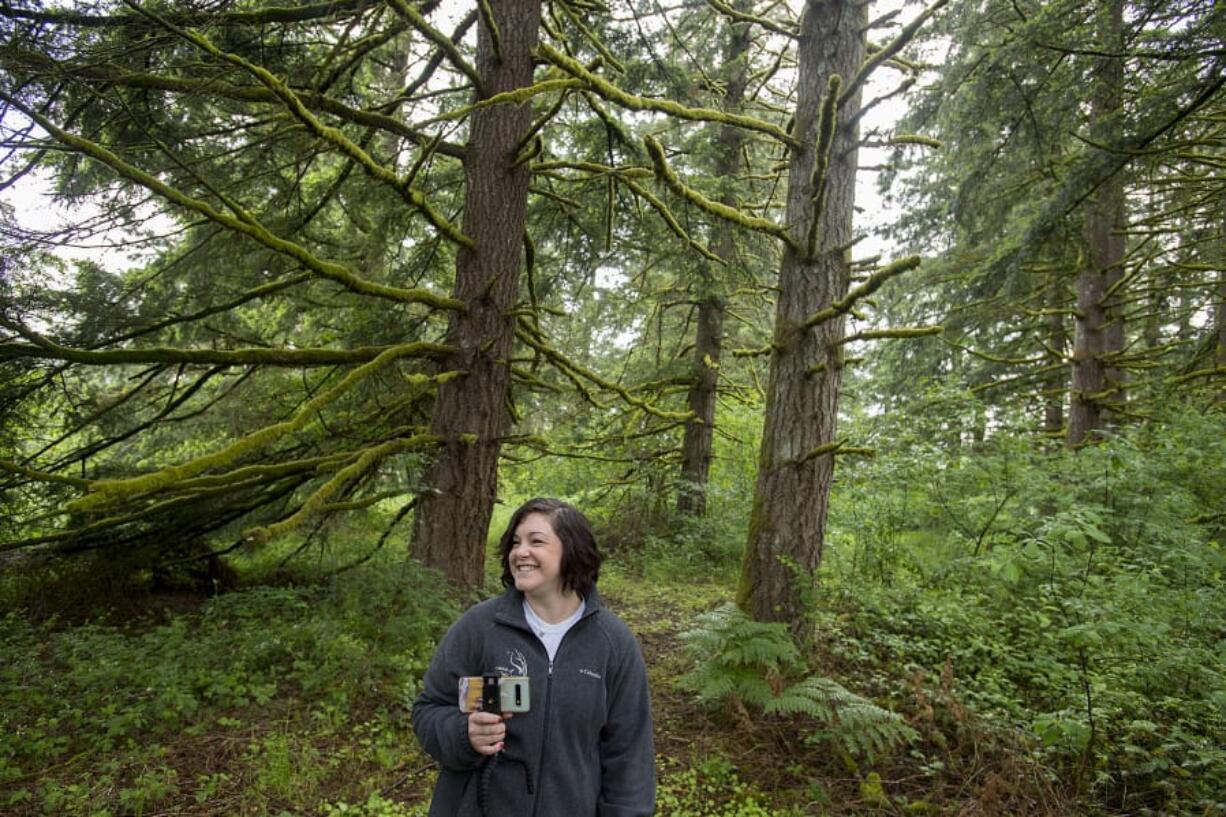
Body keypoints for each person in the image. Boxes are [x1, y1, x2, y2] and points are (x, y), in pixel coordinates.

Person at [412, 497, 656, 817]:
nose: (520, 552)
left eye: (536, 541)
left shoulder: (612, 643)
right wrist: (464, 734)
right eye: (515, 542)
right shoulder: (480, 627)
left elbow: (630, 755)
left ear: (573, 550)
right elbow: (428, 711)